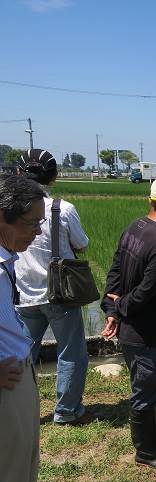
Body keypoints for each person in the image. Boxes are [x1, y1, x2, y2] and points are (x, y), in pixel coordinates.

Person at [100, 175, 156, 470]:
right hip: (144, 330)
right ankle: (146, 452)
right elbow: (144, 294)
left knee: (152, 384)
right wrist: (120, 308)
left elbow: (115, 270)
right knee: (146, 387)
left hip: (132, 327)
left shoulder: (135, 227)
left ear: (151, 200)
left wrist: (112, 309)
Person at [14, 149, 94, 426]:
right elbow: (82, 244)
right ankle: (67, 411)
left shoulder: (9, 210)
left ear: (18, 174)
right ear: (54, 177)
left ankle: (18, 408)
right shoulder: (62, 208)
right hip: (60, 292)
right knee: (71, 351)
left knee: (23, 353)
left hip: (21, 293)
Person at [0, 175, 47, 482]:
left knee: (23, 477)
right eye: (33, 222)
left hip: (20, 376)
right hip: (6, 388)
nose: (38, 232)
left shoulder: (7, 261)